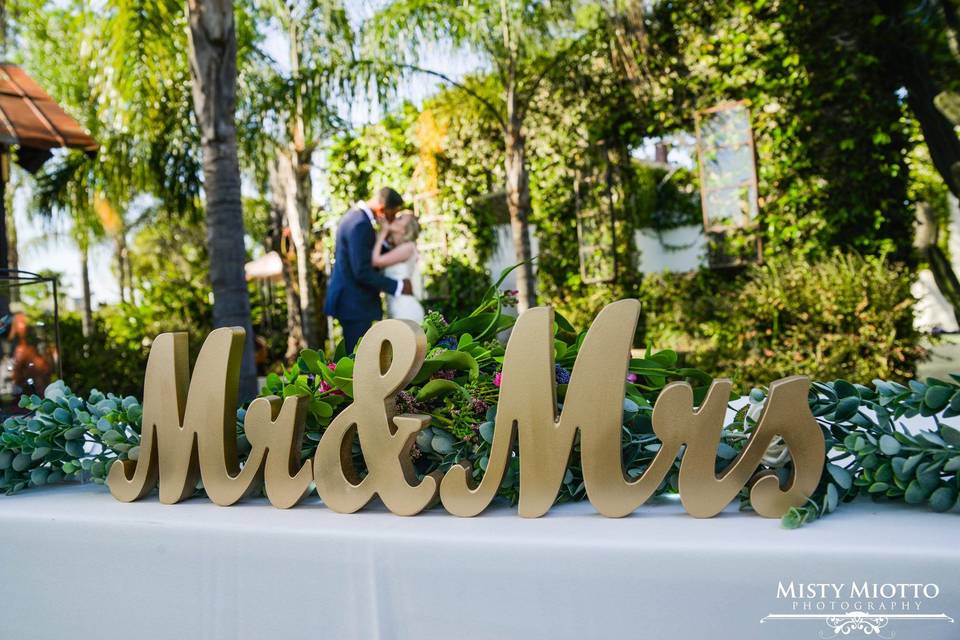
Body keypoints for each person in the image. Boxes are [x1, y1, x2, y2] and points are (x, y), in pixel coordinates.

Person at [324, 187, 413, 353]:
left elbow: (366, 255)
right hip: (354, 304)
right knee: (358, 360)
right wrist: (398, 286)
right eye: (393, 213)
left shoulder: (356, 218)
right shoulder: (359, 224)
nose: (393, 219)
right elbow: (362, 270)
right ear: (382, 209)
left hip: (352, 302)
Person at [372, 211, 425, 323]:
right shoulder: (397, 248)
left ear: (404, 229)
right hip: (396, 308)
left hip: (406, 310)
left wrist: (383, 233)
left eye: (400, 218)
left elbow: (376, 261)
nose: (394, 219)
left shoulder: (408, 247)